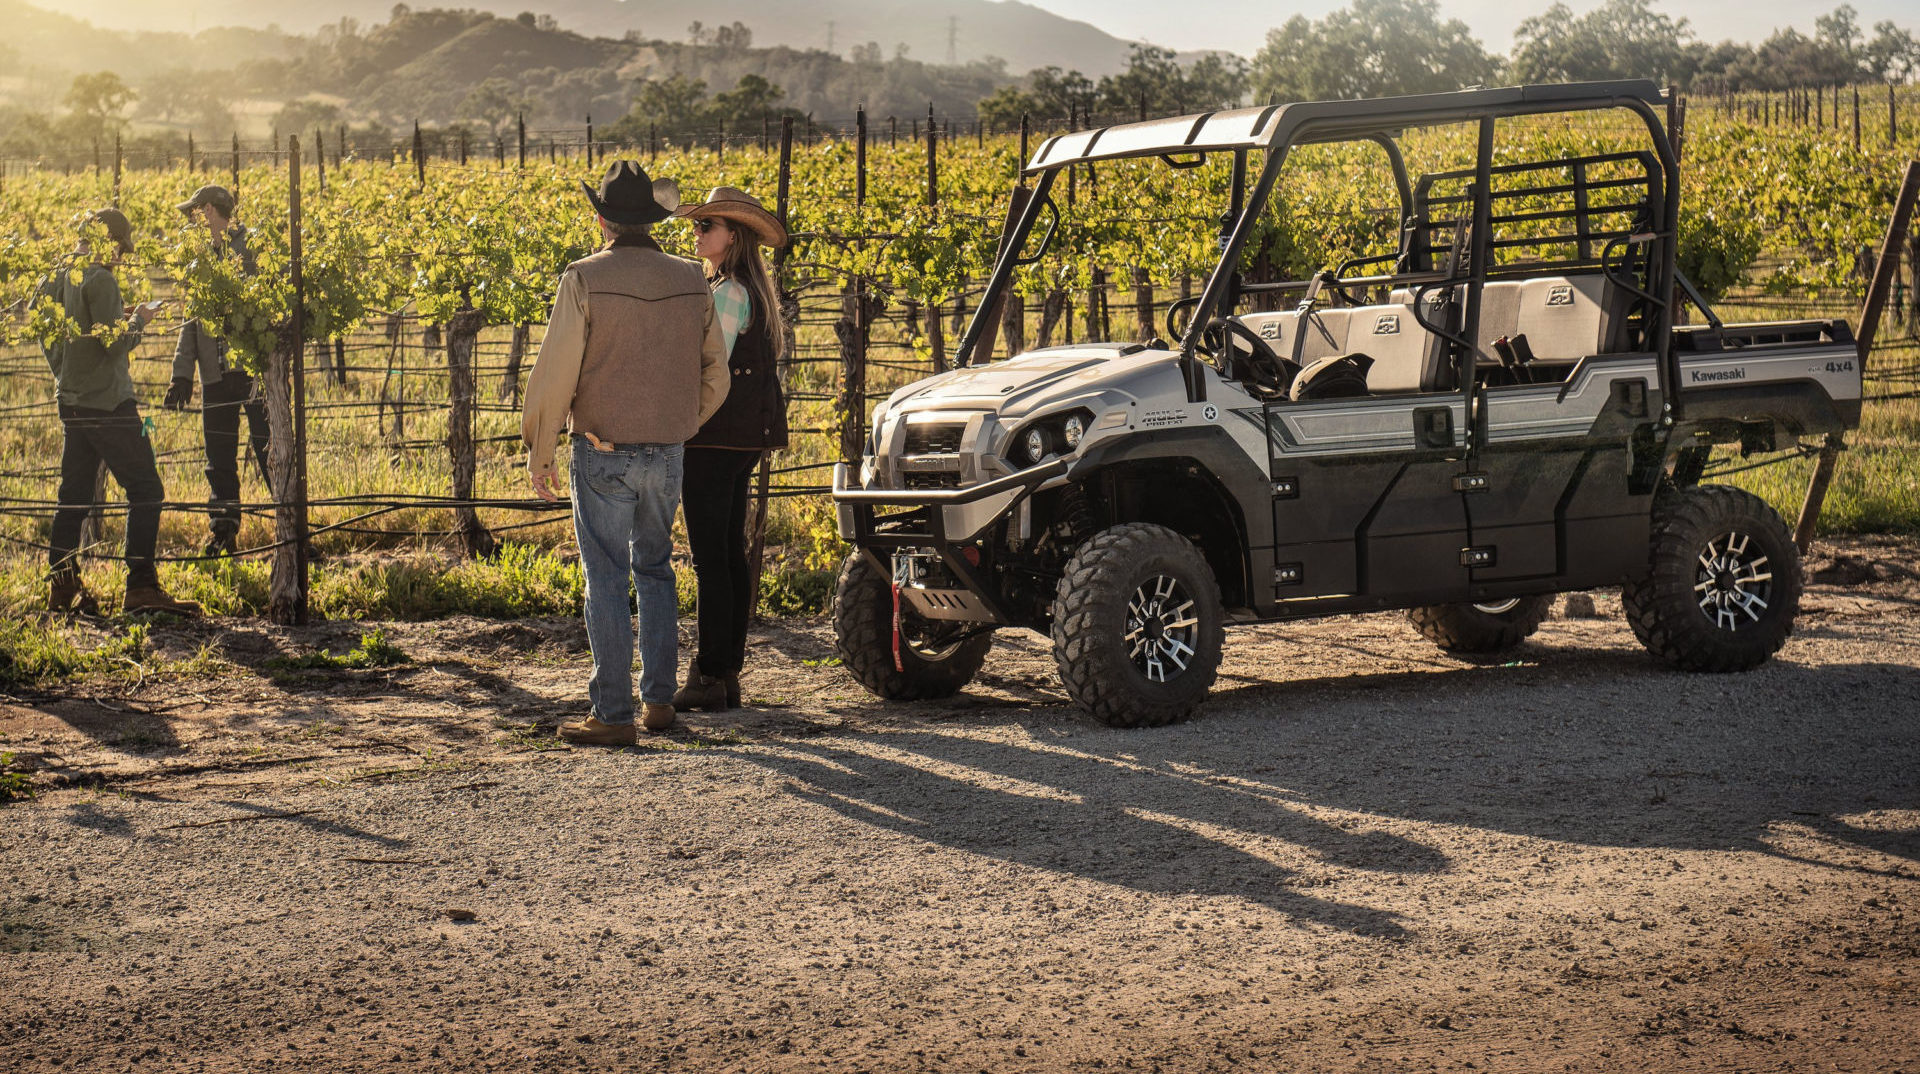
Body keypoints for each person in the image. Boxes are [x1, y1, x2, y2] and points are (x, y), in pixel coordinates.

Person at [521, 161, 729, 745]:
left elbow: (557, 371)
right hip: (668, 452)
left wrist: (541, 447)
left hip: (600, 449)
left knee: (606, 578)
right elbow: (716, 375)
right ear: (654, 222)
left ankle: (612, 714)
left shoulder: (583, 277)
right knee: (657, 571)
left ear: (603, 219)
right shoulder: (692, 278)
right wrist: (680, 423)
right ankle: (659, 701)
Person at [42, 209, 201, 617]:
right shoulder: (102, 279)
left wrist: (65, 371)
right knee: (147, 489)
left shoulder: (57, 277)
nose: (120, 258)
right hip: (111, 404)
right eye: (120, 249)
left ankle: (61, 587)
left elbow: (50, 334)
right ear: (110, 242)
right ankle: (141, 588)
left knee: (72, 496)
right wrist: (140, 321)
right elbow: (115, 345)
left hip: (72, 402)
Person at [668, 188, 791, 712]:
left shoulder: (727, 292)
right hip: (739, 437)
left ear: (732, 236)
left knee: (710, 559)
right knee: (728, 556)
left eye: (706, 227)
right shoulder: (742, 288)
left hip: (713, 435)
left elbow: (706, 367)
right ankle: (725, 672)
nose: (696, 235)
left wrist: (678, 420)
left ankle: (712, 672)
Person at [164, 184, 269, 557]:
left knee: (271, 450)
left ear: (209, 210)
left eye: (194, 212)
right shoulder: (200, 258)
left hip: (256, 370)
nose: (191, 220)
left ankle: (294, 530)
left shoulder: (254, 249)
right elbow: (191, 322)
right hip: (215, 374)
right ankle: (223, 533)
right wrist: (181, 374)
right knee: (219, 458)